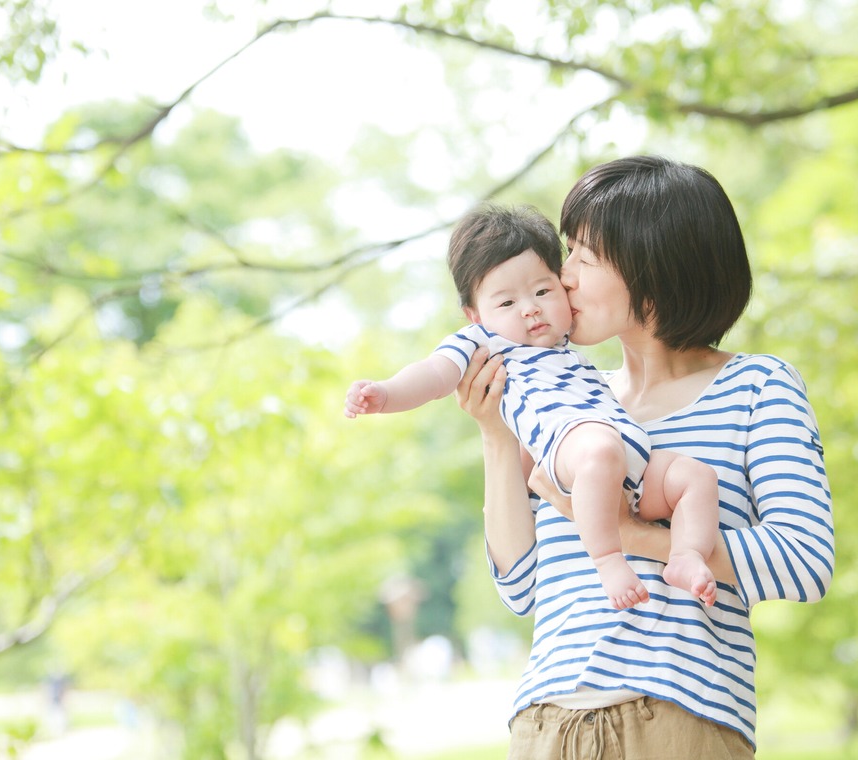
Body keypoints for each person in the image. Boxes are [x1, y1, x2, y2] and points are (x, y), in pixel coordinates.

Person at [456, 156, 833, 758]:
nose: (564, 277)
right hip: (546, 722)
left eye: (584, 256)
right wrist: (497, 435)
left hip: (679, 719)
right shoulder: (569, 402)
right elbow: (521, 587)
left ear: (654, 269)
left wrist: (632, 535)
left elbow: (805, 562)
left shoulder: (759, 386)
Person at [345, 204, 719, 609]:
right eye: (506, 303)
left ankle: (685, 556)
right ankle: (609, 559)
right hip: (570, 448)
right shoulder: (489, 344)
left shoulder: (572, 352)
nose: (530, 308)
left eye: (543, 291)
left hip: (631, 457)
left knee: (694, 477)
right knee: (599, 451)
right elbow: (434, 374)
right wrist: (385, 394)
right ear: (476, 315)